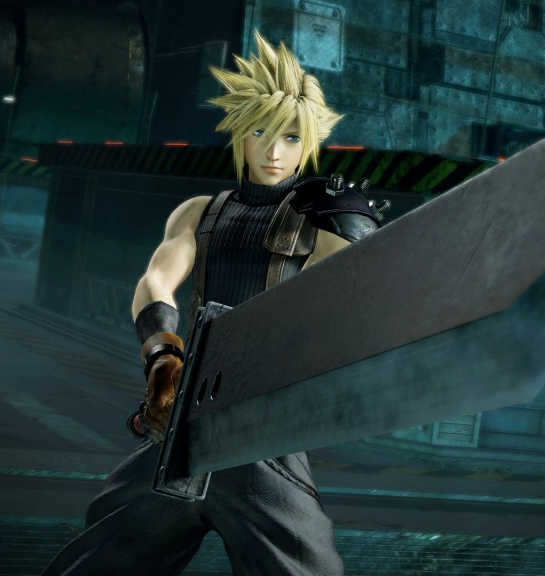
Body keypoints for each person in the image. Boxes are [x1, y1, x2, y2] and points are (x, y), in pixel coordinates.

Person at [42, 31, 371, 575]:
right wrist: (162, 358)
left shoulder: (323, 217)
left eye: (291, 137)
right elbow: (155, 281)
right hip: (184, 422)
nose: (273, 151)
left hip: (262, 429)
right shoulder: (200, 212)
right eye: (260, 132)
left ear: (309, 141)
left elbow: (353, 286)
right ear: (239, 134)